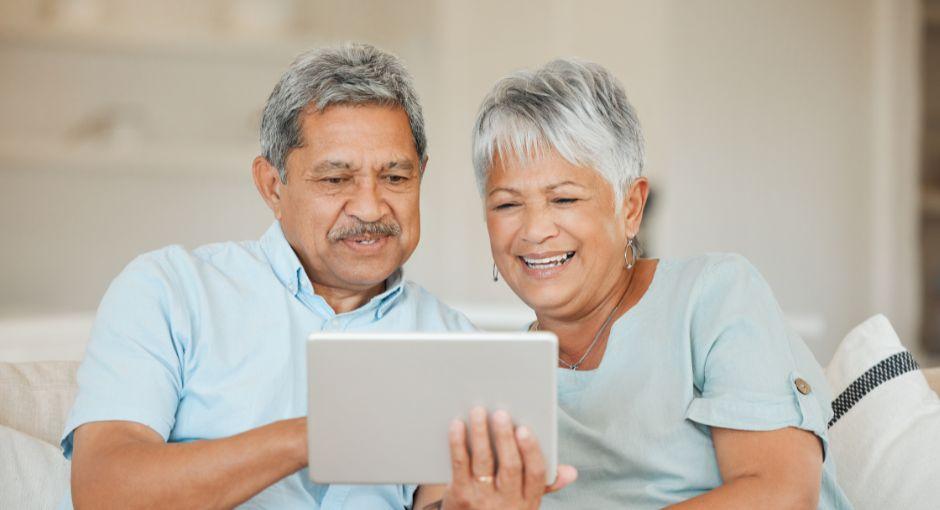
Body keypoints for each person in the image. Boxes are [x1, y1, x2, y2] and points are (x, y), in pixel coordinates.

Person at [61, 43, 513, 510]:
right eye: (336, 180)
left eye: (395, 178)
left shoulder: (454, 342)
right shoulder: (169, 291)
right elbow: (103, 491)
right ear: (273, 186)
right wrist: (313, 438)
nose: (370, 207)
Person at [420, 59, 855, 509]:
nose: (534, 230)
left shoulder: (713, 296)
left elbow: (780, 495)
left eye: (564, 198)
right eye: (507, 205)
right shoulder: (495, 383)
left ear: (630, 208)